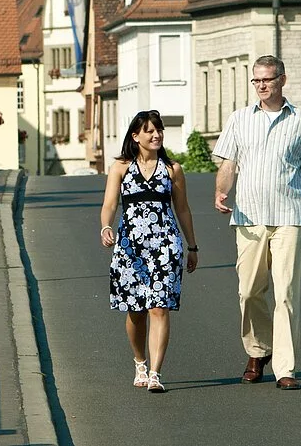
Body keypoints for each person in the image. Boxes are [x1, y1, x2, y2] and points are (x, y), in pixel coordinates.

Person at [213, 55, 301, 391]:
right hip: (248, 217)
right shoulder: (239, 119)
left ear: (282, 80)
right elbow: (229, 162)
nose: (261, 86)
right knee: (249, 292)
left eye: (267, 79)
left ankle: (285, 368)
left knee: (286, 293)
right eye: (256, 80)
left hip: (289, 216)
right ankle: (257, 349)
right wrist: (221, 192)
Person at [99, 110, 198, 393]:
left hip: (166, 244)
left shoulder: (172, 169)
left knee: (159, 307)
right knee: (136, 311)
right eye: (149, 131)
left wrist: (192, 246)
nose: (156, 135)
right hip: (130, 247)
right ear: (135, 136)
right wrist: (106, 227)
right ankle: (139, 361)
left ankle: (155, 373)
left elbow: (182, 209)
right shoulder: (120, 167)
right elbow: (109, 204)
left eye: (159, 130)